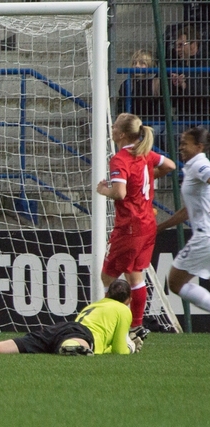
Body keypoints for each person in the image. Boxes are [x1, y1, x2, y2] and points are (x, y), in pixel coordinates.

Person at [96, 113, 176, 336]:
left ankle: (112, 325)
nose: (111, 128)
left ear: (120, 134)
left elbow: (120, 193)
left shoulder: (121, 159)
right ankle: (135, 326)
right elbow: (170, 165)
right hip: (147, 223)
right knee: (134, 274)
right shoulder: (144, 154)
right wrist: (150, 174)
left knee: (108, 276)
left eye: (114, 126)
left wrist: (103, 190)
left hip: (130, 225)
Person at [0, 279, 138, 356]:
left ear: (107, 294)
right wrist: (131, 346)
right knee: (76, 344)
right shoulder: (123, 311)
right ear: (128, 300)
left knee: (1, 347)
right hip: (80, 335)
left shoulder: (95, 305)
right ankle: (72, 348)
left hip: (59, 328)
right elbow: (118, 350)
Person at [157, 126, 210, 312]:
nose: (181, 147)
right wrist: (160, 227)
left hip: (205, 237)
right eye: (180, 143)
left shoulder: (199, 165)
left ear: (199, 146)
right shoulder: (192, 168)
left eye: (184, 144)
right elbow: (187, 211)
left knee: (175, 283)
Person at [117, 50, 165, 150]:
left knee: (152, 134)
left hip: (154, 122)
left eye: (142, 63)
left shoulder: (156, 83)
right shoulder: (127, 84)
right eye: (135, 63)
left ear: (150, 65)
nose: (137, 66)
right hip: (135, 122)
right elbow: (121, 107)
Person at [169, 25, 210, 133]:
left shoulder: (206, 64)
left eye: (181, 45)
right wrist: (174, 85)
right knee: (169, 133)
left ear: (193, 45)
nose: (177, 49)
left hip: (205, 117)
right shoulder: (176, 66)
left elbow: (206, 92)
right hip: (184, 117)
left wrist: (185, 85)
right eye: (176, 46)